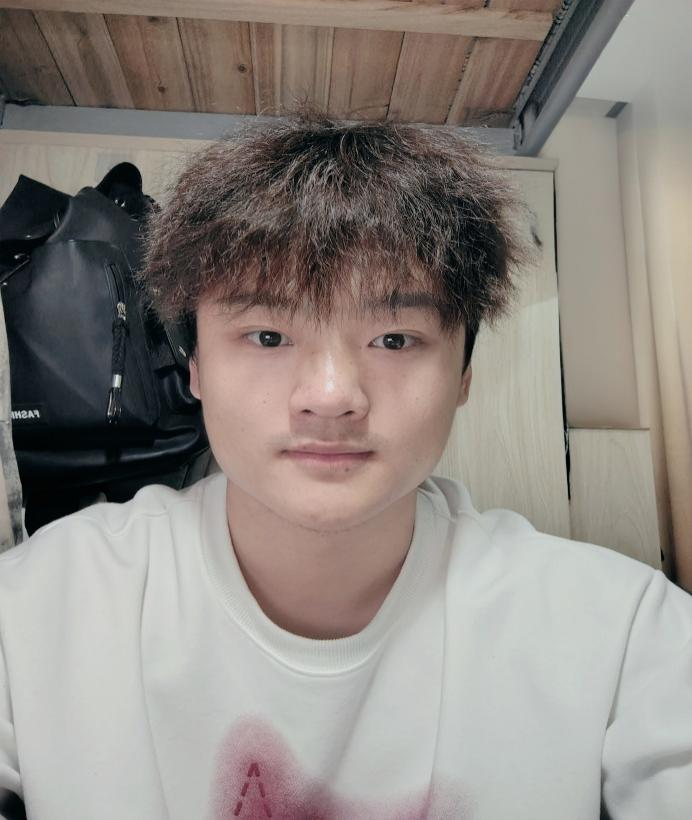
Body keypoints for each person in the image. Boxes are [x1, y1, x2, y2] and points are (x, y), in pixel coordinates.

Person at [0, 114, 690, 820]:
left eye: (394, 339)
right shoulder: (38, 610)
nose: (330, 397)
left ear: (464, 374)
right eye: (268, 335)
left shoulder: (620, 633)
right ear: (196, 367)